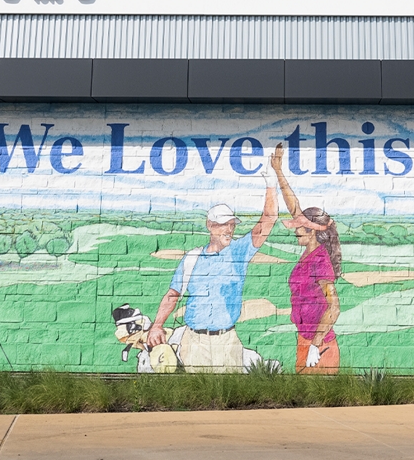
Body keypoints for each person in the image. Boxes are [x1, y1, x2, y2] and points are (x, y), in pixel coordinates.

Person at [145, 156, 278, 372]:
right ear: (210, 226)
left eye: (232, 224)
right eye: (222, 224)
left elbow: (269, 219)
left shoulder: (239, 251)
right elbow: (173, 294)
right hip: (194, 341)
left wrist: (271, 183)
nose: (228, 229)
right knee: (197, 395)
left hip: (227, 340)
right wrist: (157, 325)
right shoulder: (192, 259)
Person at [270, 143, 341, 373]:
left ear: (313, 232)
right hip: (305, 342)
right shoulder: (308, 254)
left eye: (300, 227)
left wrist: (316, 344)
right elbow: (294, 207)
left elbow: (334, 307)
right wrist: (279, 171)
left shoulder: (320, 261)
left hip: (320, 348)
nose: (295, 229)